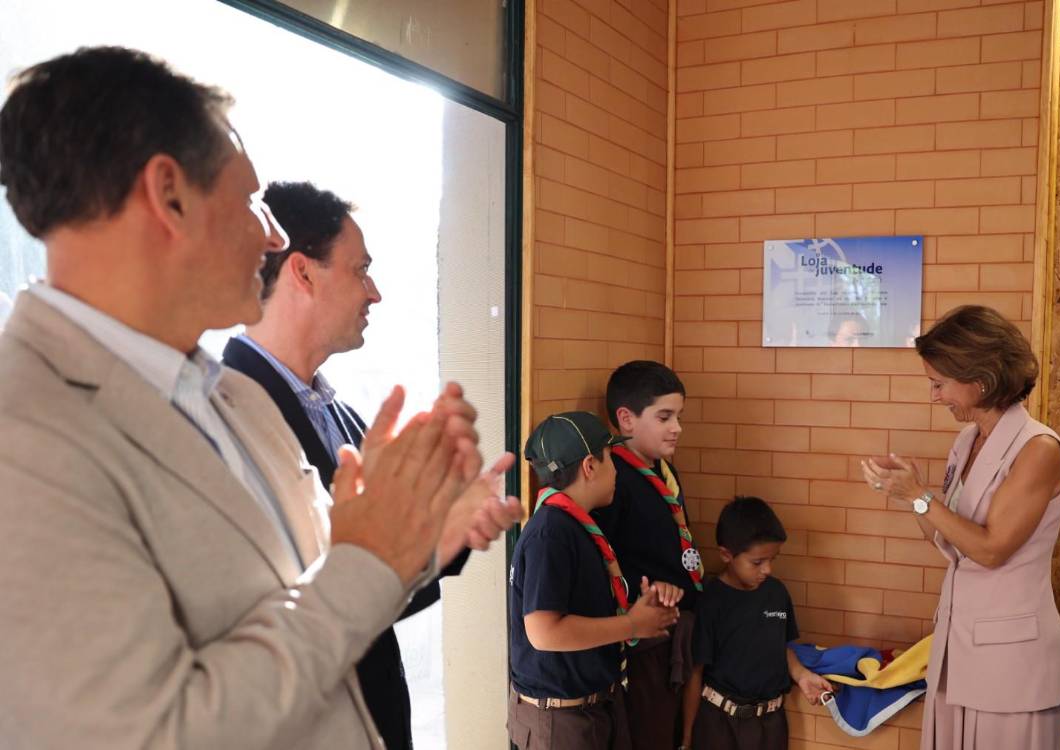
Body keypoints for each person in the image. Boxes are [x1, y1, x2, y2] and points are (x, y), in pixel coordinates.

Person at [0, 47, 523, 748]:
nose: (271, 235)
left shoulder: (228, 397)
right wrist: (371, 557)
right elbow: (157, 734)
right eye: (250, 200)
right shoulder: (24, 438)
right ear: (169, 195)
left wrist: (427, 535)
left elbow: (314, 585)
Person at [222, 181, 469, 750]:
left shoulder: (349, 420)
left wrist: (447, 532)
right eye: (360, 270)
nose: (375, 293)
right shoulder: (222, 414)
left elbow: (375, 591)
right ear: (303, 274)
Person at [861, 305, 1060, 750]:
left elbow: (992, 549)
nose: (934, 397)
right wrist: (910, 496)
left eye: (939, 385)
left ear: (981, 378)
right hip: (957, 651)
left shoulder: (1038, 448)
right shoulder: (967, 441)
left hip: (1012, 664)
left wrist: (920, 496)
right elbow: (948, 540)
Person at [510, 411, 683, 750]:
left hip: (593, 709)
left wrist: (636, 610)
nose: (617, 469)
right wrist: (631, 625)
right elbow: (544, 632)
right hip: (562, 722)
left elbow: (581, 607)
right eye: (611, 459)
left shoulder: (576, 525)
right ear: (590, 466)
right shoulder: (551, 533)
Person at [596, 360, 702, 750]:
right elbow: (603, 558)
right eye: (664, 416)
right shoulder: (613, 481)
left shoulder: (662, 471)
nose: (677, 427)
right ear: (626, 419)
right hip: (645, 639)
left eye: (678, 416)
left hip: (678, 627)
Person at [681, 497, 833, 750]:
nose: (767, 570)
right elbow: (696, 673)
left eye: (773, 559)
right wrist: (687, 738)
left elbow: (780, 647)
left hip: (771, 725)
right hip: (719, 724)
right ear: (726, 555)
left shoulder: (776, 594)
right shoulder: (712, 601)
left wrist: (803, 676)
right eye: (757, 562)